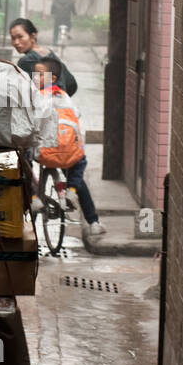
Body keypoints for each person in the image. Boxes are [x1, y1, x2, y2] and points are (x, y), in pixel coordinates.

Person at [32, 56, 106, 239]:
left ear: (53, 78)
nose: (35, 78)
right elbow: (78, 118)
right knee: (79, 164)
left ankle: (33, 198)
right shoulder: (64, 97)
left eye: (39, 75)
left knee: (19, 159)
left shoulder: (37, 98)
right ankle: (91, 218)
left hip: (44, 153)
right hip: (68, 155)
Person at [9, 17, 77, 96]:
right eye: (13, 38)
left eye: (20, 37)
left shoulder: (26, 61)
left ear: (33, 36)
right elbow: (72, 84)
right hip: (60, 103)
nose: (16, 42)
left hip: (46, 105)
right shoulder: (49, 53)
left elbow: (19, 92)